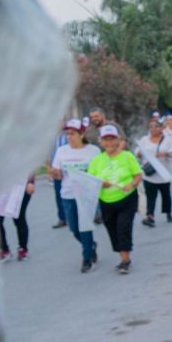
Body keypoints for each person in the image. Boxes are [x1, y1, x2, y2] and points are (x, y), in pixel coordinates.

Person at [88, 124, 142, 275]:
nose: (109, 143)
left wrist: (131, 184)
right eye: (106, 139)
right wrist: (100, 184)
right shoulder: (96, 161)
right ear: (100, 141)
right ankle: (122, 256)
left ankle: (125, 261)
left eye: (112, 139)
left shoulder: (127, 156)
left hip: (127, 198)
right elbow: (90, 180)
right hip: (106, 201)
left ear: (118, 140)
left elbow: (138, 175)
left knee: (123, 227)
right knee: (112, 230)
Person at [51, 118, 100, 273]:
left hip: (86, 195)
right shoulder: (62, 151)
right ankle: (90, 245)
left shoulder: (93, 151)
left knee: (84, 225)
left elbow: (97, 173)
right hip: (68, 194)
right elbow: (58, 175)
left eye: (73, 133)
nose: (69, 137)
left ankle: (87, 258)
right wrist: (54, 173)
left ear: (81, 134)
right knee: (73, 228)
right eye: (67, 134)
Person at [135, 119, 172, 226]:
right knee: (150, 196)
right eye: (151, 126)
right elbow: (137, 152)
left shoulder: (167, 140)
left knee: (166, 195)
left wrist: (165, 154)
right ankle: (150, 216)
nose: (153, 129)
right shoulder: (144, 139)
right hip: (149, 174)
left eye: (156, 126)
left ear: (161, 128)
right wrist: (139, 153)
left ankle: (168, 213)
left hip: (163, 173)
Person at [0, 175, 35, 262]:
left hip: (20, 186)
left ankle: (23, 249)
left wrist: (30, 182)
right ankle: (4, 249)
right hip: (1, 187)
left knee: (19, 217)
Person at [47, 119, 69, 229]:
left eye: (60, 121)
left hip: (68, 170)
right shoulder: (52, 137)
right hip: (56, 170)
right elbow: (49, 154)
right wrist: (49, 169)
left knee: (72, 194)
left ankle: (76, 217)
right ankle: (62, 218)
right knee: (58, 195)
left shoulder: (69, 136)